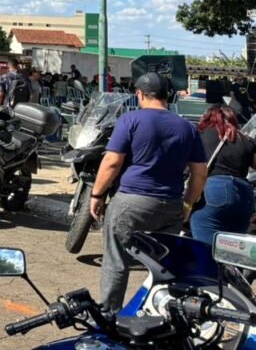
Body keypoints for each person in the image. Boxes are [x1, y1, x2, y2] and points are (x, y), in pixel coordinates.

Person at [89, 72, 207, 311]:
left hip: (132, 202)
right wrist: (187, 204)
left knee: (117, 261)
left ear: (139, 94)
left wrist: (97, 194)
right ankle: (157, 315)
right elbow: (200, 173)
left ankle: (110, 315)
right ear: (167, 96)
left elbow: (112, 162)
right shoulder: (188, 128)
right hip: (171, 204)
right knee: (162, 266)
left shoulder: (130, 120)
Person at [190, 105, 256, 246]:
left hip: (213, 191)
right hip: (244, 196)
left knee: (206, 249)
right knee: (232, 252)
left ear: (207, 118)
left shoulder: (200, 134)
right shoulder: (247, 140)